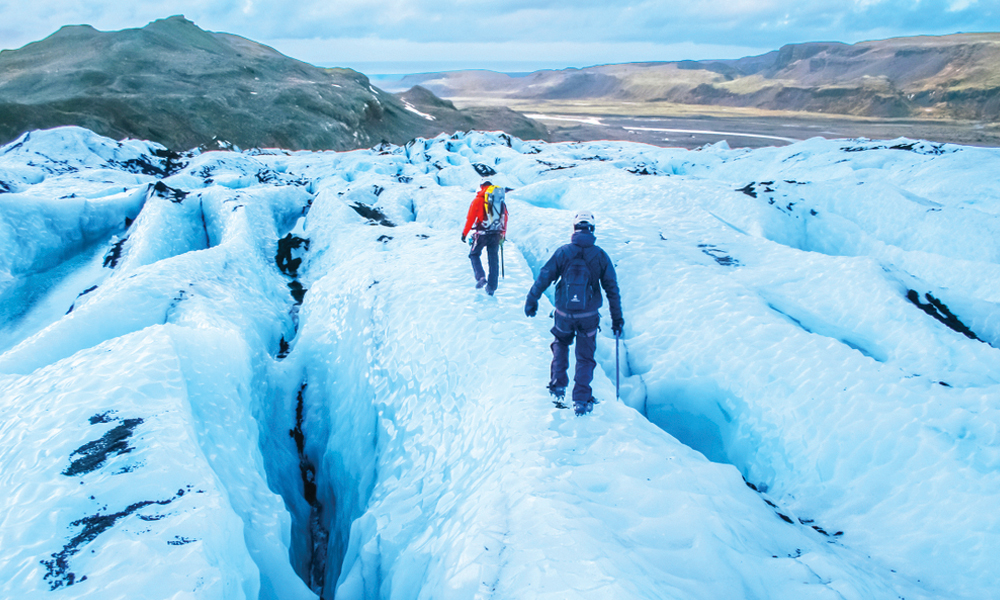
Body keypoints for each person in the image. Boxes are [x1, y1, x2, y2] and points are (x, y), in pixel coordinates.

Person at [524, 212, 623, 416]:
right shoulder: (600, 255)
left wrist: (531, 300)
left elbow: (544, 276)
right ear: (592, 230)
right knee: (585, 358)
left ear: (574, 228)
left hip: (563, 313)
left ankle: (558, 387)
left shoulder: (563, 252)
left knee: (560, 344)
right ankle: (581, 399)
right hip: (588, 316)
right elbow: (611, 289)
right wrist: (617, 318)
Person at [461, 181, 508, 295]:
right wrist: (503, 234)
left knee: (474, 254)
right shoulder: (500, 201)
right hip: (496, 234)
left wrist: (464, 233)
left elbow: (470, 218)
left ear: (482, 188)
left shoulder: (478, 200)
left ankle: (481, 277)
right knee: (493, 259)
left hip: (481, 233)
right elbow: (505, 218)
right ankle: (491, 287)